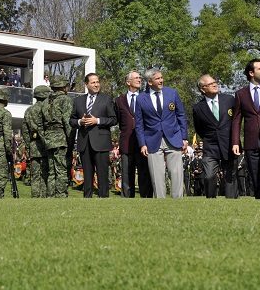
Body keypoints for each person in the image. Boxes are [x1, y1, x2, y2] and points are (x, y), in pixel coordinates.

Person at [134, 68, 189, 199]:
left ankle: (178, 201)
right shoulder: (141, 98)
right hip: (151, 140)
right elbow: (139, 124)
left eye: (161, 77)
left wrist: (184, 137)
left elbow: (181, 115)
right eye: (158, 79)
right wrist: (142, 144)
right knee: (156, 175)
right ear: (149, 82)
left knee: (176, 173)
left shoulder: (172, 93)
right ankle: (160, 203)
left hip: (174, 138)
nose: (161, 80)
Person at [231, 59, 260, 199]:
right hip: (251, 143)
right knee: (256, 179)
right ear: (251, 73)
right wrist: (235, 141)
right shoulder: (241, 94)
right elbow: (236, 119)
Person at [70, 73, 117, 198]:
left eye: (97, 82)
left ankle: (103, 198)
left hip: (101, 142)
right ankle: (87, 198)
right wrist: (80, 121)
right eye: (93, 82)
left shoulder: (106, 99)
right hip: (84, 142)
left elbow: (113, 119)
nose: (96, 84)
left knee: (102, 174)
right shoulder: (78, 101)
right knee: (87, 173)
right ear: (86, 84)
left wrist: (98, 121)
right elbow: (72, 120)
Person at [192, 74, 237, 198]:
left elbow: (236, 121)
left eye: (214, 82)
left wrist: (236, 141)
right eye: (210, 84)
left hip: (229, 144)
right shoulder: (198, 108)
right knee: (209, 175)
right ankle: (210, 200)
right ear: (202, 89)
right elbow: (199, 128)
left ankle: (231, 202)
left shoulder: (229, 99)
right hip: (211, 146)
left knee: (229, 177)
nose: (214, 84)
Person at [114, 71, 153, 199]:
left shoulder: (146, 97)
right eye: (136, 78)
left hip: (144, 143)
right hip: (126, 143)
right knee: (126, 174)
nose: (139, 80)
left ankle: (146, 199)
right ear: (128, 82)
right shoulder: (119, 100)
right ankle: (127, 200)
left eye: (140, 78)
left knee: (144, 174)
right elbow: (119, 121)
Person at [41, 75, 73, 198]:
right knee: (61, 169)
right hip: (61, 138)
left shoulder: (45, 102)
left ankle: (51, 195)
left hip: (48, 138)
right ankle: (61, 195)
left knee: (51, 170)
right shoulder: (65, 99)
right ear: (63, 87)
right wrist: (70, 141)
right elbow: (67, 121)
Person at [22, 85, 51, 198]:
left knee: (35, 174)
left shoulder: (29, 110)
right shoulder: (47, 109)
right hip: (45, 145)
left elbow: (25, 130)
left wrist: (29, 145)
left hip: (34, 145)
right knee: (45, 173)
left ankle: (35, 196)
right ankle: (43, 196)